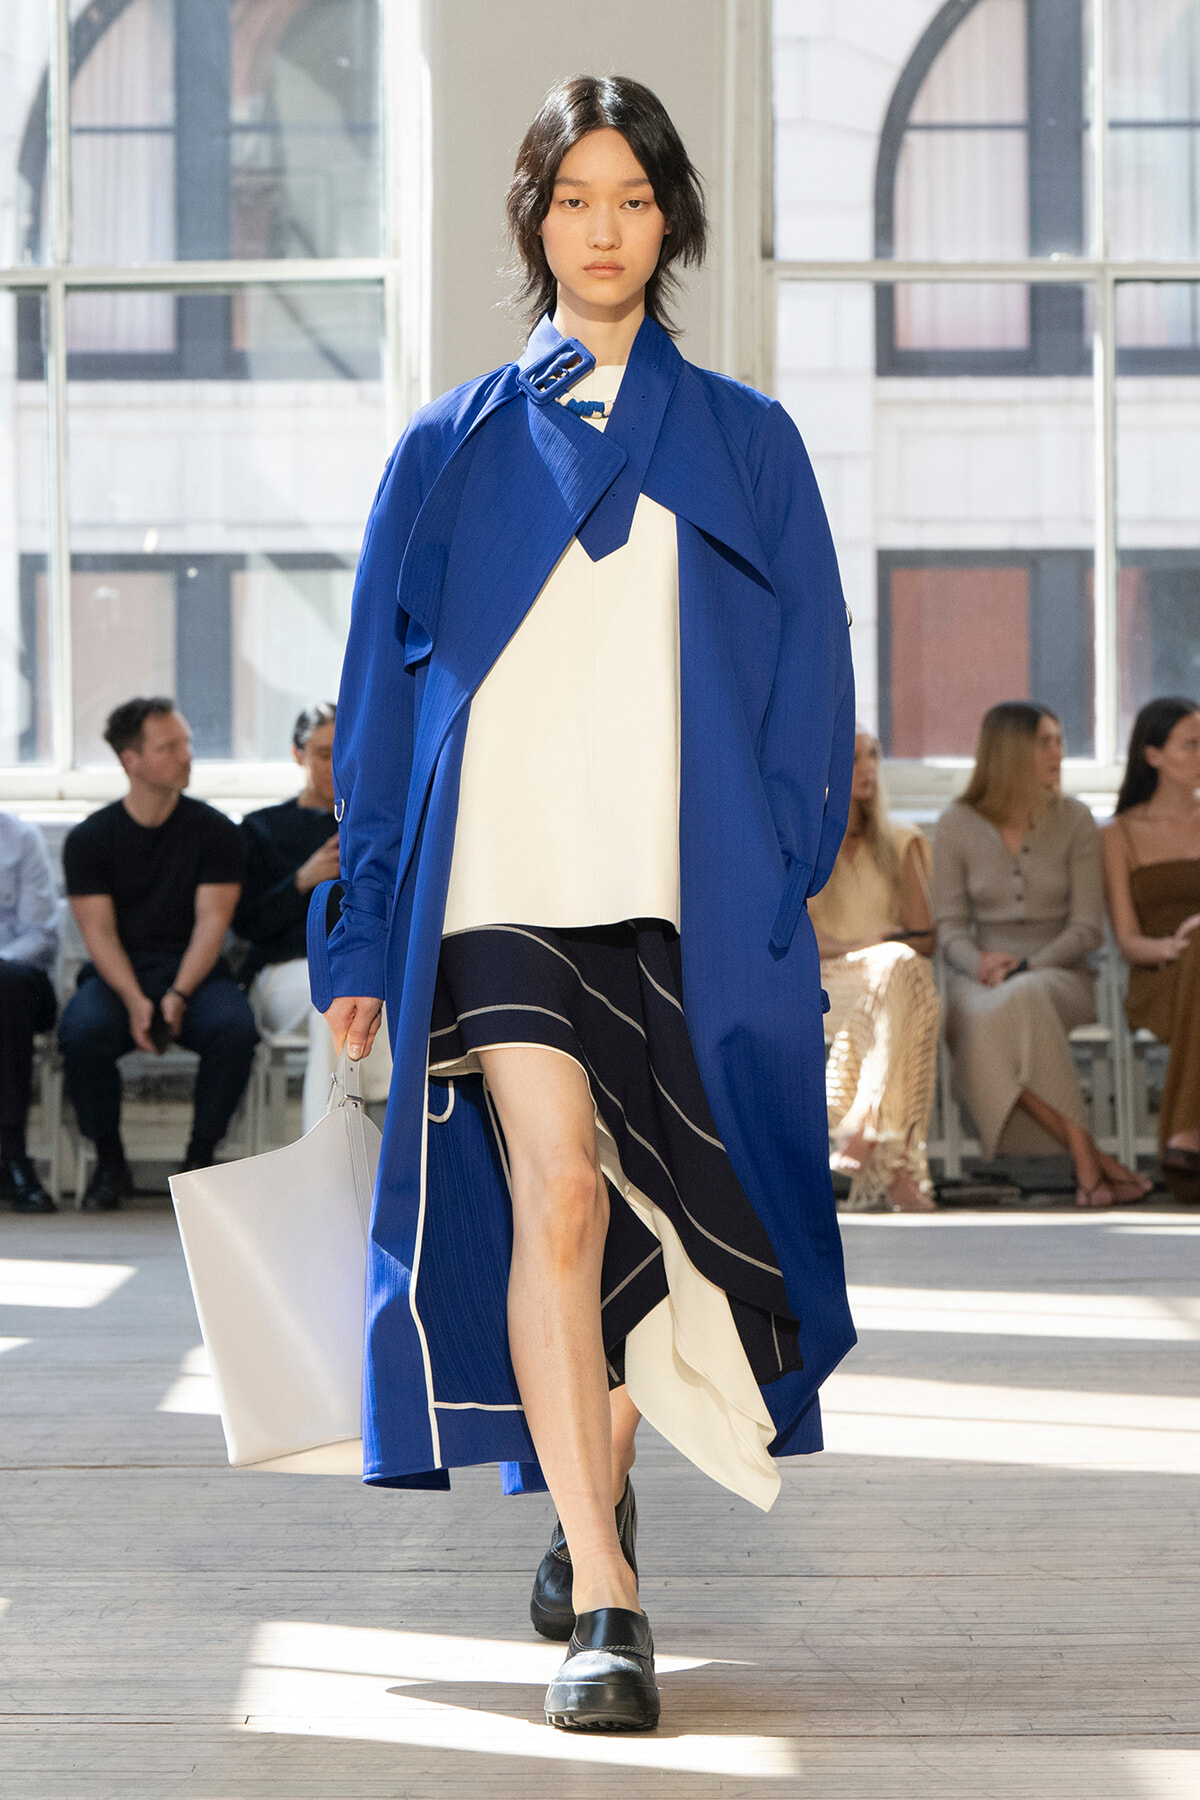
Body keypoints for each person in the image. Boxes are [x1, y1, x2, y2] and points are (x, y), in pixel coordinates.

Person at [308, 76, 855, 1733]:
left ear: (669, 219)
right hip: (500, 885)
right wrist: (364, 930)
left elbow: (812, 691)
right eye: (572, 200)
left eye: (631, 199)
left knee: (679, 1228)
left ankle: (583, 1481)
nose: (602, 231)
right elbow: (381, 707)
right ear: (532, 221)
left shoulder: (748, 443)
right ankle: (609, 1598)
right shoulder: (450, 446)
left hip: (688, 900)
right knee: (556, 1196)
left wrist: (781, 881)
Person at [933, 701, 1150, 1209]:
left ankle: (1091, 1167)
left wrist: (1030, 965)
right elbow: (949, 928)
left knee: (1023, 995)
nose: (1058, 752)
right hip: (980, 977)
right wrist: (979, 963)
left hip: (1061, 974)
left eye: (1059, 740)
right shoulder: (956, 823)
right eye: (1044, 742)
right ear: (1009, 753)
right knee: (989, 1014)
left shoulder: (1076, 820)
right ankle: (1093, 1161)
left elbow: (1087, 929)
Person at [59, 699, 259, 1210]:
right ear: (131, 761)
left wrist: (179, 994)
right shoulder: (89, 839)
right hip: (118, 975)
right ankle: (109, 1164)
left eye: (186, 743)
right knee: (81, 1033)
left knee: (234, 1029)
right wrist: (134, 1001)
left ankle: (198, 1161)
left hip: (195, 973)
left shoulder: (216, 831)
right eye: (169, 747)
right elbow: (99, 934)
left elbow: (212, 923)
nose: (186, 755)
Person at [236, 704, 391, 1136]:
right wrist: (301, 881)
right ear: (297, 754)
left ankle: (375, 1145)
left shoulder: (374, 829)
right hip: (285, 972)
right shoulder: (262, 829)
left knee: (370, 995)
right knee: (333, 999)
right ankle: (333, 1142)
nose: (335, 765)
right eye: (324, 753)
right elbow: (247, 925)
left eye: (344, 752)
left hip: (361, 963)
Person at [809, 728, 939, 1212]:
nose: (867, 768)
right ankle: (899, 1170)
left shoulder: (903, 841)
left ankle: (866, 1120)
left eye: (873, 756)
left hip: (887, 981)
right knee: (910, 986)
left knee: (903, 973)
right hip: (823, 979)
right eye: (852, 758)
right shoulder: (804, 843)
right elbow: (803, 940)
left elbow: (925, 939)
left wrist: (882, 951)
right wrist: (864, 945)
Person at [1102, 697, 1200, 1198]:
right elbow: (1128, 941)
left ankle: (1187, 1134)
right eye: (1192, 744)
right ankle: (1187, 1131)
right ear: (1154, 755)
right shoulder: (1119, 834)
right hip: (1161, 978)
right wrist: (1174, 947)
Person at [0, 812, 59, 1213]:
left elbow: (41, 936)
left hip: (17, 981)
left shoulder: (20, 838)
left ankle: (14, 1154)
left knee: (6, 988)